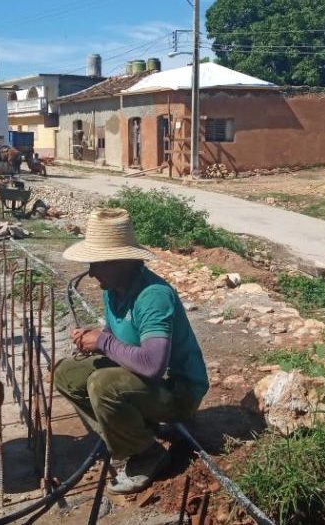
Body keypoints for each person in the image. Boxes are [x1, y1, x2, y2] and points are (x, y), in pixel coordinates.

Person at [54, 208, 209, 495]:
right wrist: (94, 337)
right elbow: (117, 335)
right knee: (66, 373)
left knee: (103, 385)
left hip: (178, 391)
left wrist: (102, 343)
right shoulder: (112, 289)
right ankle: (134, 435)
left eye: (97, 263)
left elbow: (152, 366)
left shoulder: (153, 296)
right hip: (144, 384)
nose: (90, 271)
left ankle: (146, 454)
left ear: (121, 262)